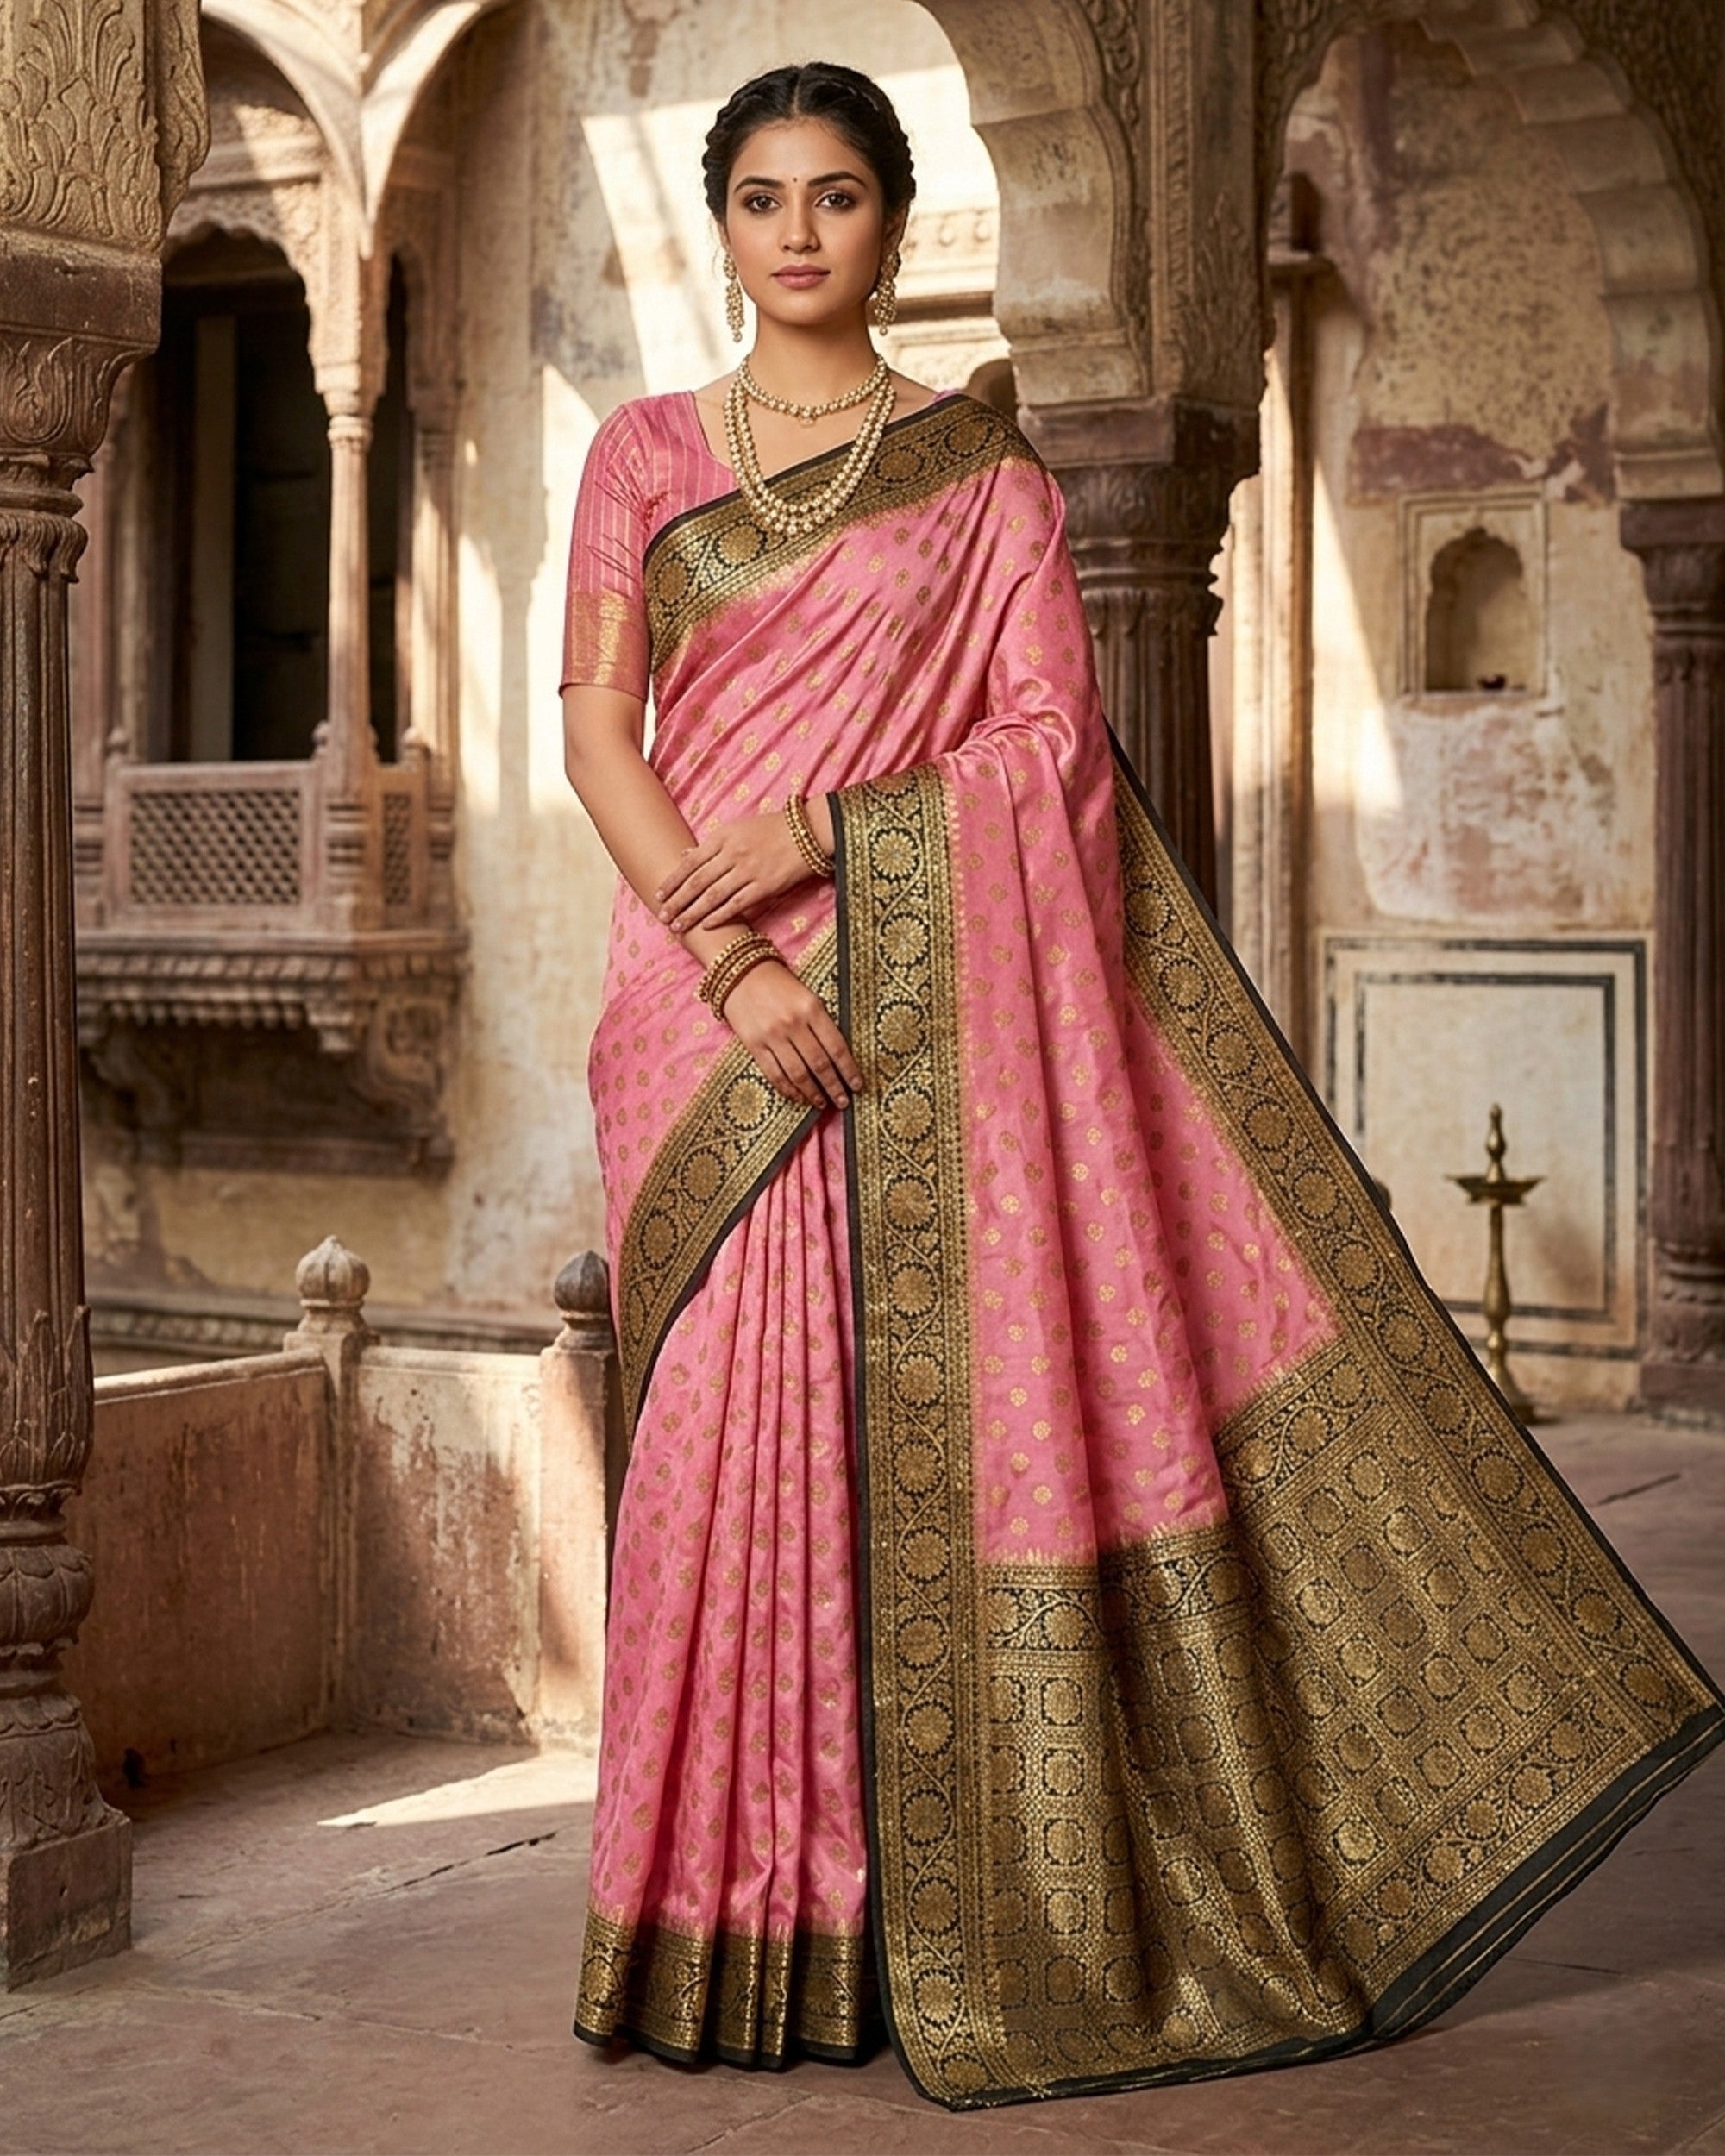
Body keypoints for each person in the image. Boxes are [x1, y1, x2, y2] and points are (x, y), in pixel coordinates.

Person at [560, 60, 1723, 2113]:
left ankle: (932, 1916)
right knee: (729, 1451)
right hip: (702, 1008)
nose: (799, 231)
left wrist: (837, 825)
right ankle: (736, 1919)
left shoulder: (989, 484)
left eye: (838, 195)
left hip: (930, 998)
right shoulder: (643, 459)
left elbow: (1050, 758)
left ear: (896, 228)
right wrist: (730, 956)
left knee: (918, 1435)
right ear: (726, 222)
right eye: (761, 196)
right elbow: (597, 735)